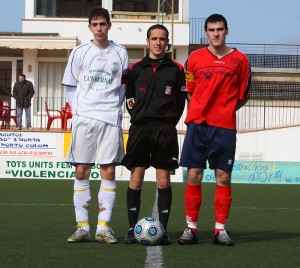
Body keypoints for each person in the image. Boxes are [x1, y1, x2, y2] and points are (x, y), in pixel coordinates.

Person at [177, 14, 252, 246]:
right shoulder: (194, 58)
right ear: (206, 32)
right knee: (193, 175)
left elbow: (243, 95)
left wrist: (225, 111)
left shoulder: (240, 60)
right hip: (198, 126)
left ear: (226, 31)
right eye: (211, 30)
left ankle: (220, 230)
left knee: (223, 176)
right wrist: (200, 110)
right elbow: (189, 90)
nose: (216, 33)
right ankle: (191, 228)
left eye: (220, 29)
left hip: (224, 128)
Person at [62, 7, 129, 244]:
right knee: (82, 170)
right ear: (90, 27)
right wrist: (78, 112)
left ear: (109, 25)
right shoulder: (79, 52)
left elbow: (123, 85)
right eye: (95, 24)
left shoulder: (120, 52)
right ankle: (82, 227)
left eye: (103, 24)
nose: (99, 28)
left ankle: (103, 228)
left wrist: (114, 108)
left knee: (109, 171)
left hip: (110, 117)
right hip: (85, 118)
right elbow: (70, 85)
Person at [121, 24, 187, 245]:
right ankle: (131, 230)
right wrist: (141, 117)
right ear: (147, 41)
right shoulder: (136, 69)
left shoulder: (177, 69)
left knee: (163, 179)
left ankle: (164, 231)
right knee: (136, 179)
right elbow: (129, 101)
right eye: (154, 38)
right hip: (140, 129)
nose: (158, 42)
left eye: (162, 39)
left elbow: (179, 104)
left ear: (167, 42)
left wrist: (167, 122)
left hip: (165, 131)